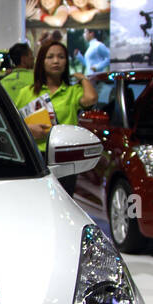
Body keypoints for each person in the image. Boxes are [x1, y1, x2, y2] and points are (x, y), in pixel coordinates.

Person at [12, 37, 98, 192]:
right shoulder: (27, 92)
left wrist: (83, 78)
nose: (56, 61)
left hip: (64, 157)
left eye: (61, 57)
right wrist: (29, 129)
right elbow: (12, 122)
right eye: (50, 57)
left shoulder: (72, 92)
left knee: (64, 202)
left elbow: (91, 98)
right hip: (35, 155)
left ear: (66, 62)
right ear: (41, 62)